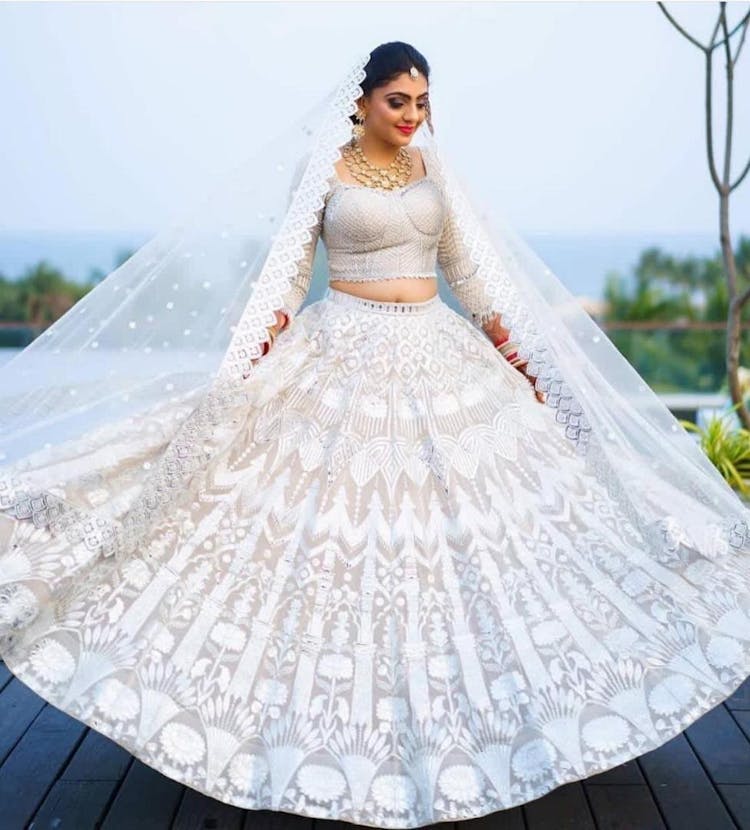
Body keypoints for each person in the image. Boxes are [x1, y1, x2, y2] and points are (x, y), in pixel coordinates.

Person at [1, 40, 750, 829]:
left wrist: (523, 358)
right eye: (399, 102)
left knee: (470, 533)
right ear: (360, 101)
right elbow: (289, 274)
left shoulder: (437, 172)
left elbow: (472, 274)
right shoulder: (322, 170)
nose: (414, 116)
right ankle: (313, 733)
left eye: (423, 103)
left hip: (437, 352)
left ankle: (492, 716)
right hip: (341, 351)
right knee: (326, 540)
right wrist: (250, 356)